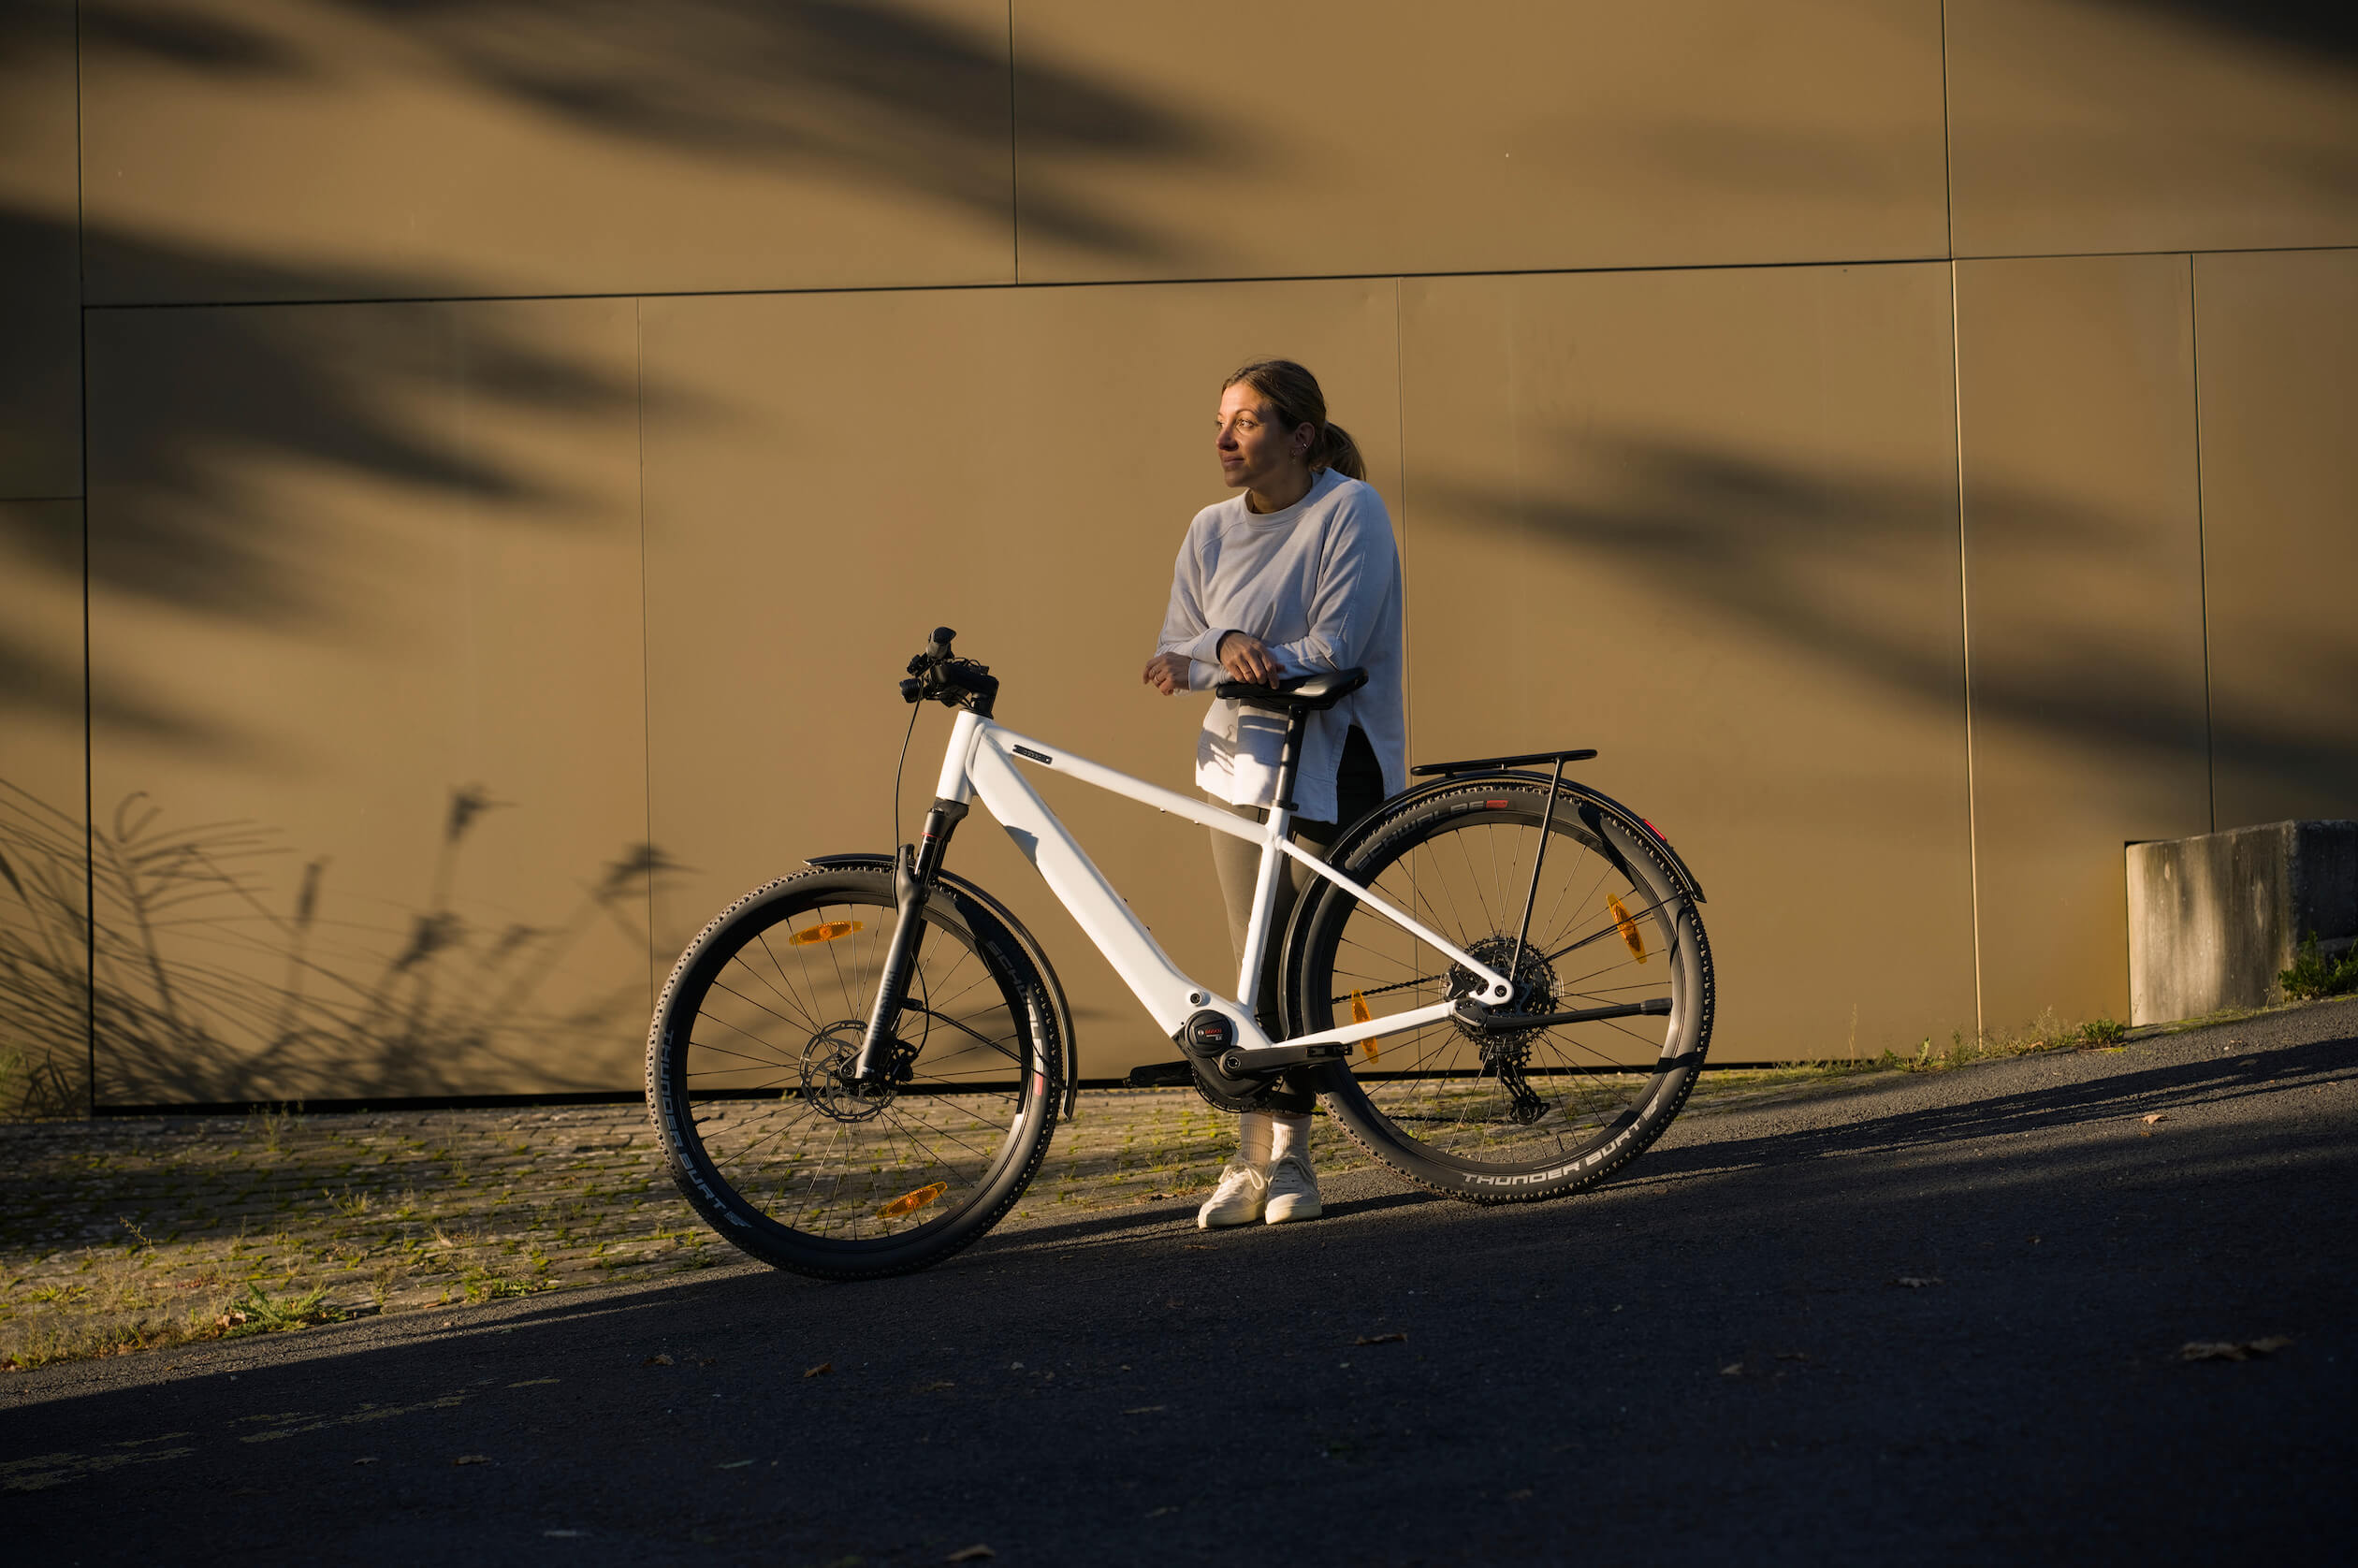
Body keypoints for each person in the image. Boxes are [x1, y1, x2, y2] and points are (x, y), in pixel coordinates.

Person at [1142, 358, 1406, 1228]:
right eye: (1221, 420)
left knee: (1298, 967)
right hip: (1238, 766)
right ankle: (1255, 1164)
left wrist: (1242, 654)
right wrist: (1223, 642)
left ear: (1301, 436)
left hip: (1334, 759)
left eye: (1246, 422)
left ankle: (1291, 1167)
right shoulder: (1208, 528)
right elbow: (1175, 652)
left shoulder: (1348, 510)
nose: (1224, 438)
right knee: (1251, 970)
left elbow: (1335, 645)